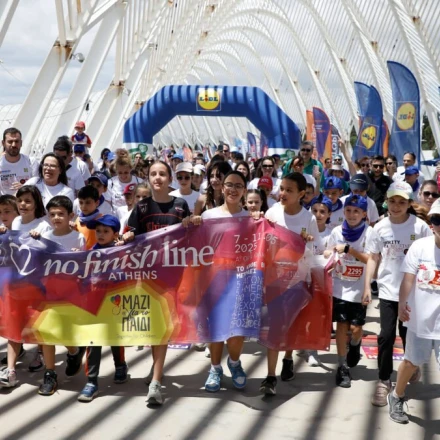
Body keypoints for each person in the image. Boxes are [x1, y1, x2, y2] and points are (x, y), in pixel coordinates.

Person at [123, 160, 191, 405]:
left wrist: (192, 224)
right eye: (153, 174)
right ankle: (157, 372)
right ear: (148, 178)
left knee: (163, 326)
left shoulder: (180, 205)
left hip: (172, 277)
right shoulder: (141, 207)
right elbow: (130, 234)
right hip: (148, 277)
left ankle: (156, 381)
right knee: (155, 327)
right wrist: (128, 235)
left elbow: (192, 237)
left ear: (170, 179)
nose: (158, 178)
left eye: (162, 173)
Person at [363, 181, 432, 406]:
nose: (396, 206)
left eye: (401, 202)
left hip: (413, 293)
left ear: (409, 203)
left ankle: (411, 366)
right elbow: (373, 257)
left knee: (407, 334)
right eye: (392, 201)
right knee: (385, 335)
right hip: (387, 291)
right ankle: (384, 380)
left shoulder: (420, 227)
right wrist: (367, 286)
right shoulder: (379, 227)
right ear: (386, 202)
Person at [188, 170, 254, 394]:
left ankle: (234, 363)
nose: (233, 189)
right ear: (222, 188)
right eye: (229, 185)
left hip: (241, 281)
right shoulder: (208, 216)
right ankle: (215, 368)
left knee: (237, 330)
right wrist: (190, 223)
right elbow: (195, 246)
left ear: (244, 190)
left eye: (238, 185)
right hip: (213, 281)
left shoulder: (251, 219)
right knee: (215, 328)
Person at [260, 172, 319, 395]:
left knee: (291, 324)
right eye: (282, 189)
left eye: (289, 190)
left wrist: (307, 244)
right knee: (275, 326)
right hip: (274, 280)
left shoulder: (308, 218)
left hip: (297, 281)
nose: (283, 193)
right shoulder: (272, 213)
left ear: (302, 194)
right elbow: (262, 242)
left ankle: (288, 358)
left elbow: (316, 248)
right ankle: (270, 377)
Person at [388, 198, 440, 424]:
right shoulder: (420, 247)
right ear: (431, 223)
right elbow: (408, 279)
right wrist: (401, 304)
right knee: (411, 362)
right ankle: (396, 395)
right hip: (420, 319)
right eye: (437, 220)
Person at [29, 196, 86, 396]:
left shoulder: (78, 237)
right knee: (47, 332)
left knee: (62, 332)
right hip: (46, 292)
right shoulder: (44, 235)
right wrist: (33, 238)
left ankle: (74, 350)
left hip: (68, 294)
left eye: (61, 214)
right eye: (52, 214)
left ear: (71, 215)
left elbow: (84, 266)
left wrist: (77, 256)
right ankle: (50, 373)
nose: (56, 218)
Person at [0, 186, 51, 387]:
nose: (23, 204)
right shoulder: (15, 222)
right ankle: (11, 371)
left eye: (28, 201)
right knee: (14, 322)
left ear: (36, 203)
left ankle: (40, 354)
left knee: (37, 323)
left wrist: (40, 239)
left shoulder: (44, 225)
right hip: (15, 283)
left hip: (36, 284)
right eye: (20, 200)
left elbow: (50, 252)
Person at [325, 194, 378, 388]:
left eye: (356, 211)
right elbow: (329, 251)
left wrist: (350, 250)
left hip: (359, 288)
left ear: (364, 214)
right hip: (339, 286)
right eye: (348, 210)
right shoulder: (336, 231)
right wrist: (329, 255)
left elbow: (371, 260)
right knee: (341, 325)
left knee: (356, 329)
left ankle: (355, 344)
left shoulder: (370, 233)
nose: (352, 214)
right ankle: (342, 366)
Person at [77, 215, 128, 402]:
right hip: (94, 304)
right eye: (98, 231)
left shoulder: (121, 251)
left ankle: (120, 365)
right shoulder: (91, 252)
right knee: (93, 340)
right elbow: (83, 277)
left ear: (115, 234)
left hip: (114, 303)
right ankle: (91, 381)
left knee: (115, 337)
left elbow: (125, 276)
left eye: (106, 231)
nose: (100, 234)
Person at [0, 127, 38, 195]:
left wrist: (25, 188)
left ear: (21, 143)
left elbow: (39, 185)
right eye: (10, 142)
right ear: (3, 143)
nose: (14, 145)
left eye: (16, 141)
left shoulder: (31, 162)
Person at [74, 186, 104, 250]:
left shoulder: (103, 221)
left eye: (88, 202)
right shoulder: (77, 220)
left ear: (97, 203)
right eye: (81, 202)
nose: (83, 206)